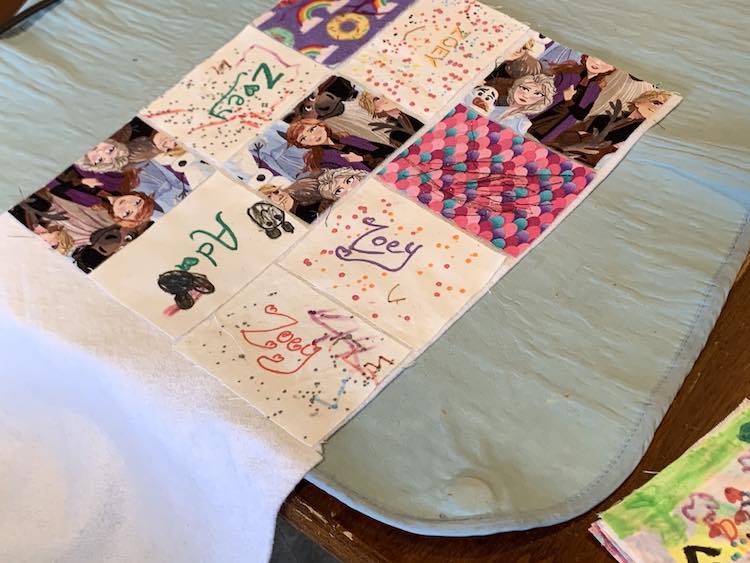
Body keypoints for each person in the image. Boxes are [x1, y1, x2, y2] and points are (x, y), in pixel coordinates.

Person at [550, 90, 671, 166]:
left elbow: (605, 155)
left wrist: (584, 137)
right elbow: (565, 136)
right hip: (557, 153)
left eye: (663, 109)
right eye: (656, 103)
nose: (657, 109)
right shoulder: (602, 118)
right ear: (639, 102)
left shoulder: (640, 135)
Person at [528, 54, 616, 143]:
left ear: (611, 68)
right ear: (587, 57)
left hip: (553, 126)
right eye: (595, 57)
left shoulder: (595, 89)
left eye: (605, 63)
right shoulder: (569, 72)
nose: (597, 63)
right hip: (537, 115)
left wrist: (569, 100)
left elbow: (581, 115)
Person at [285, 118, 393, 172]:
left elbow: (383, 149)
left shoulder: (346, 138)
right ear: (303, 145)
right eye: (303, 138)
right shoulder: (323, 160)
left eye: (312, 129)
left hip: (390, 162)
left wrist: (362, 157)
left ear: (321, 125)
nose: (312, 136)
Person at [486, 74, 556, 134]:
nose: (526, 95)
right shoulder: (494, 107)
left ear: (542, 99)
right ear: (516, 86)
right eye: (524, 88)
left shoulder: (524, 123)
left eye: (537, 93)